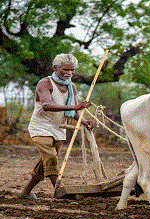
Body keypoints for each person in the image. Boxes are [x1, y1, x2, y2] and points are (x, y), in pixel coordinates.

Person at [18, 53, 95, 199]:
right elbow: (47, 105)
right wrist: (75, 107)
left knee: (46, 161)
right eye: (65, 70)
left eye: (72, 70)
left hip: (59, 129)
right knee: (51, 157)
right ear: (56, 68)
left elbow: (75, 110)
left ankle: (26, 193)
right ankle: (61, 191)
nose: (69, 73)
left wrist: (84, 121)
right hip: (40, 127)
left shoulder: (71, 87)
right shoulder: (45, 83)